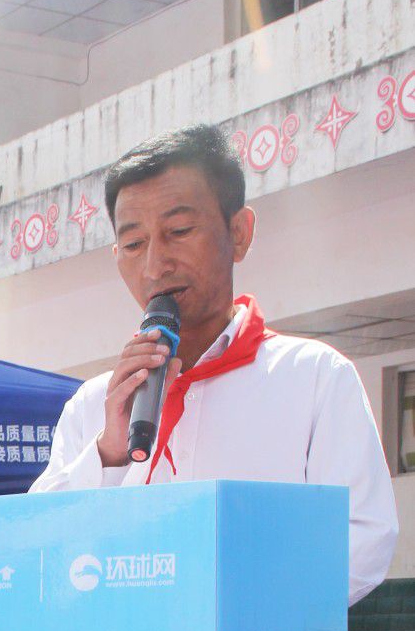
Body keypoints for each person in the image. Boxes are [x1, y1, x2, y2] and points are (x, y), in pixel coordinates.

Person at [30, 123, 398, 604]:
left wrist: (221, 602)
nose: (155, 264)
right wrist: (108, 455)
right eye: (135, 243)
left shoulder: (314, 378)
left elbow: (364, 537)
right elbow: (37, 546)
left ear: (239, 233)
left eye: (179, 231)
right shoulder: (96, 405)